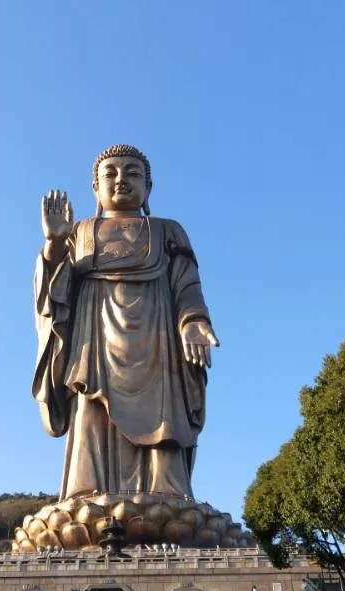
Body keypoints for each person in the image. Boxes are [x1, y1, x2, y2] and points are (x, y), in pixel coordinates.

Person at [34, 145, 221, 500]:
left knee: (163, 418)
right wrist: (55, 244)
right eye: (111, 174)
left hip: (157, 342)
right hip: (94, 340)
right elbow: (54, 295)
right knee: (92, 408)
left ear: (148, 187)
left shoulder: (167, 230)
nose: (121, 180)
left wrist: (193, 320)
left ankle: (168, 498)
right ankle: (87, 494)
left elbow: (186, 283)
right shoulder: (80, 230)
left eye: (133, 173)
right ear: (95, 188)